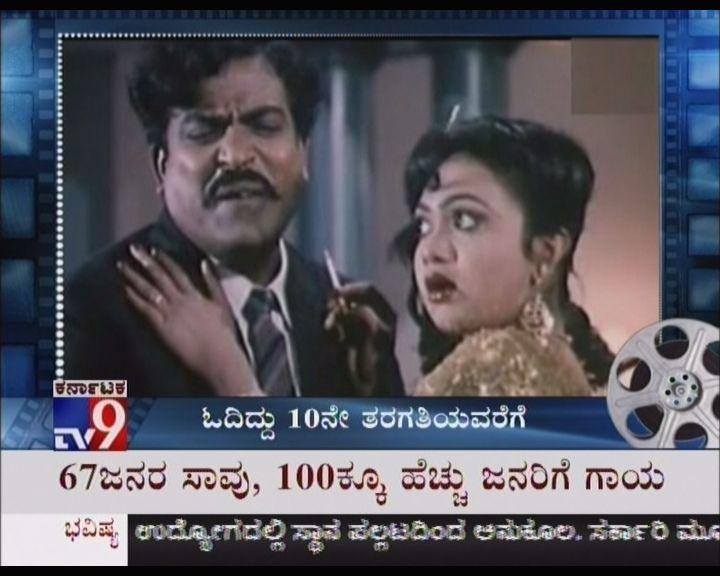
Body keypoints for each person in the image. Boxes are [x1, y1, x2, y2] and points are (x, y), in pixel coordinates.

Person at [65, 40, 403, 397]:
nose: (236, 155)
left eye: (265, 126)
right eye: (204, 132)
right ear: (162, 166)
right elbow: (76, 437)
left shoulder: (349, 323)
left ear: (303, 153)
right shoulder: (91, 311)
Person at [395, 116, 614, 396]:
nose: (430, 251)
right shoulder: (569, 365)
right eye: (424, 226)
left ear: (545, 254)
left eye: (465, 220)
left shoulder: (493, 363)